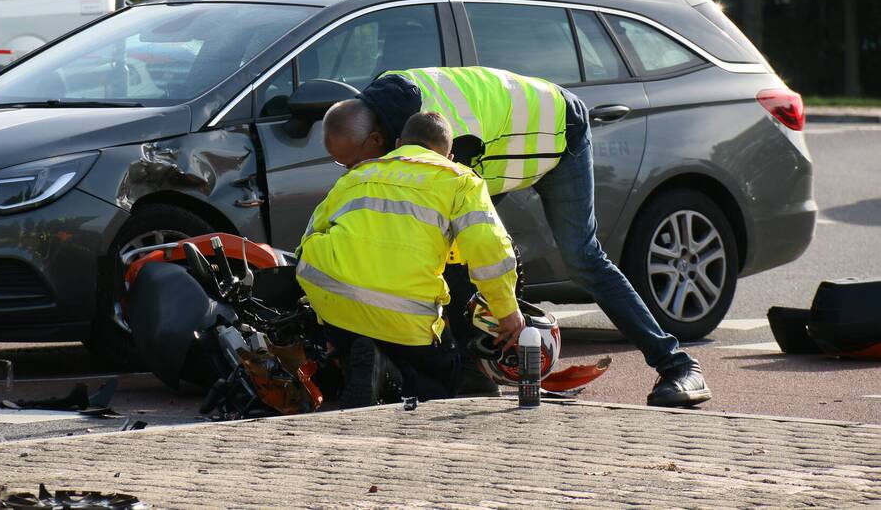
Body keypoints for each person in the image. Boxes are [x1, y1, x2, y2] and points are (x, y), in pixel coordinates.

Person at [325, 67, 712, 408]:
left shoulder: (442, 137)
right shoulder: (389, 113)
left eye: (351, 162)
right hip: (493, 148)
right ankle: (472, 374)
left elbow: (482, 248)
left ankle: (678, 365)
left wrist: (505, 310)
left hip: (556, 134)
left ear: (378, 141)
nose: (351, 171)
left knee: (581, 257)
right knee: (451, 253)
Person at [296, 109, 524, 407]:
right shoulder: (459, 180)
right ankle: (390, 374)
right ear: (449, 154)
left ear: (400, 141)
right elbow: (487, 245)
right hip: (405, 317)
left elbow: (309, 239)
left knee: (358, 349)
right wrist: (508, 312)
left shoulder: (358, 174)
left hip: (337, 307)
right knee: (445, 383)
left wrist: (324, 314)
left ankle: (355, 363)